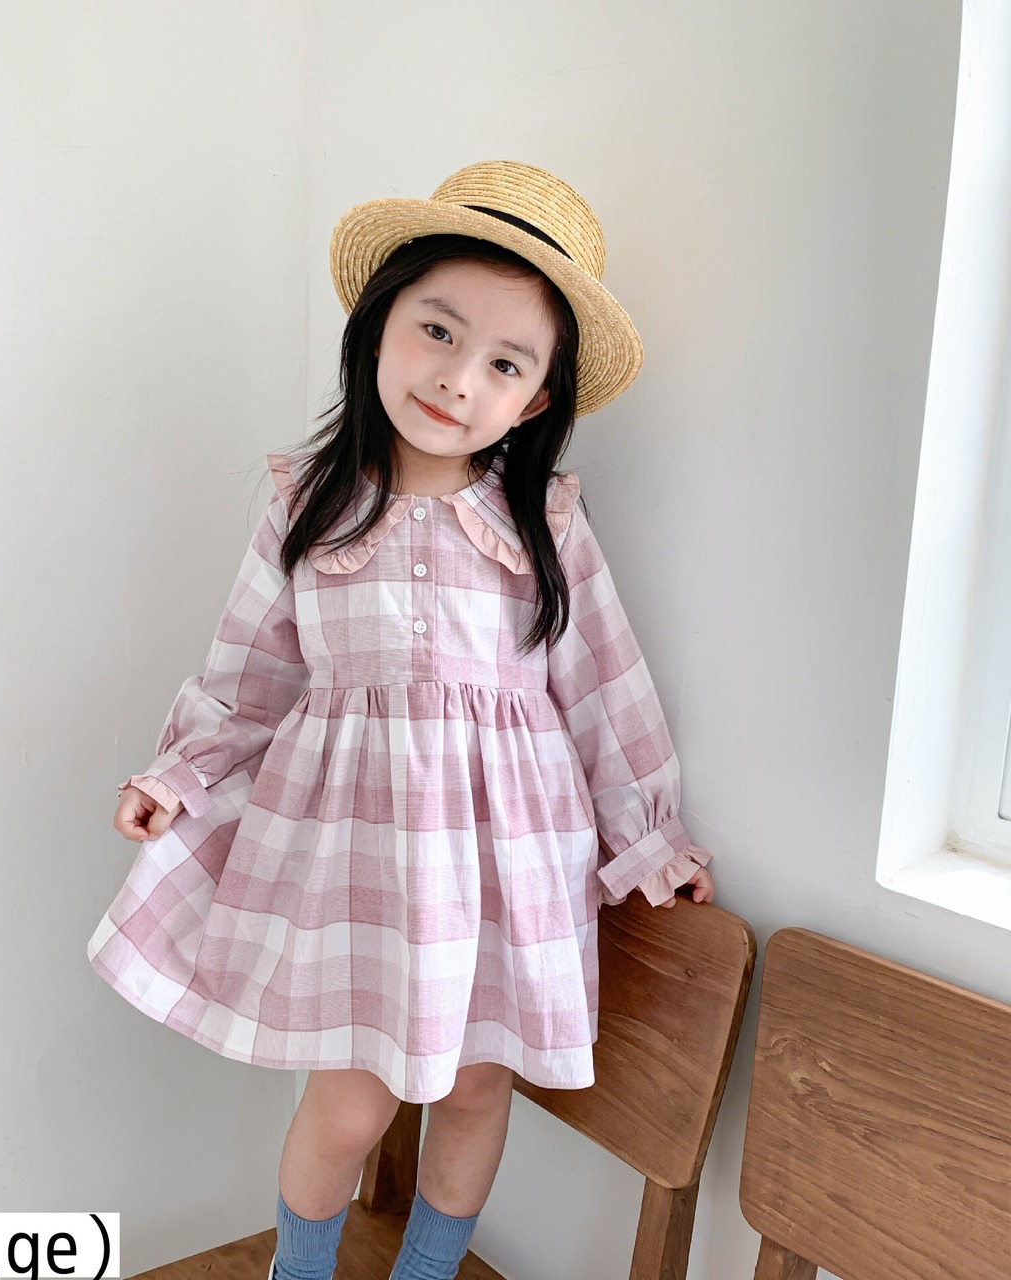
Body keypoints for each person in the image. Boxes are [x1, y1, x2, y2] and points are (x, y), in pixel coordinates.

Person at [87, 160, 715, 1280]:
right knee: (349, 1101)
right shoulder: (306, 504)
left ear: (534, 400)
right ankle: (300, 1269)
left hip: (506, 862)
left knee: (475, 1088)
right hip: (355, 861)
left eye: (504, 363)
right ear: (379, 323)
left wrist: (648, 837)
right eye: (437, 330)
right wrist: (177, 776)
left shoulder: (545, 524)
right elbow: (249, 677)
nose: (457, 378)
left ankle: (424, 1272)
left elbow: (605, 688)